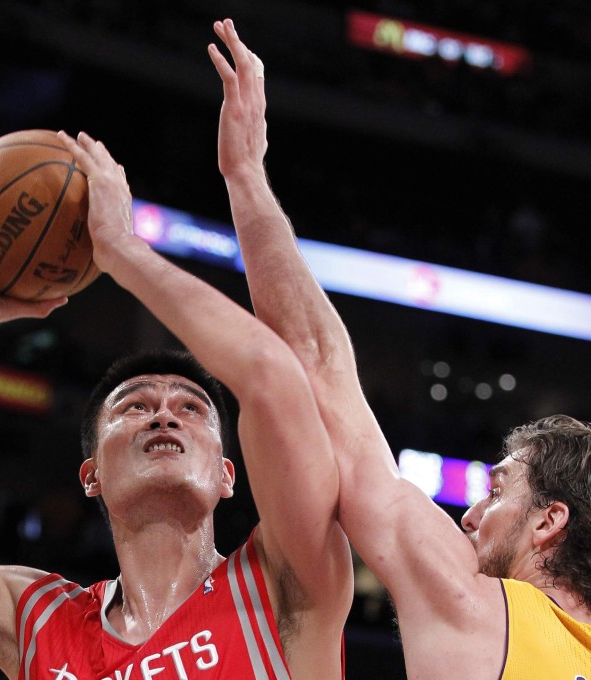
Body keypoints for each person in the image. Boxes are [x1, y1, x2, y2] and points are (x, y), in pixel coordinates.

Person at [0, 129, 352, 679]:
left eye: (192, 408)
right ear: (91, 475)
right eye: (133, 406)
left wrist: (125, 253)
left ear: (228, 475)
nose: (163, 412)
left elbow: (277, 377)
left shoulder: (283, 584)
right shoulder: (39, 623)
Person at [208, 17, 591, 678]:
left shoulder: (477, 608)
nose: (469, 514)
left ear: (548, 521)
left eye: (498, 491)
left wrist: (244, 176)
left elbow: (321, 366)